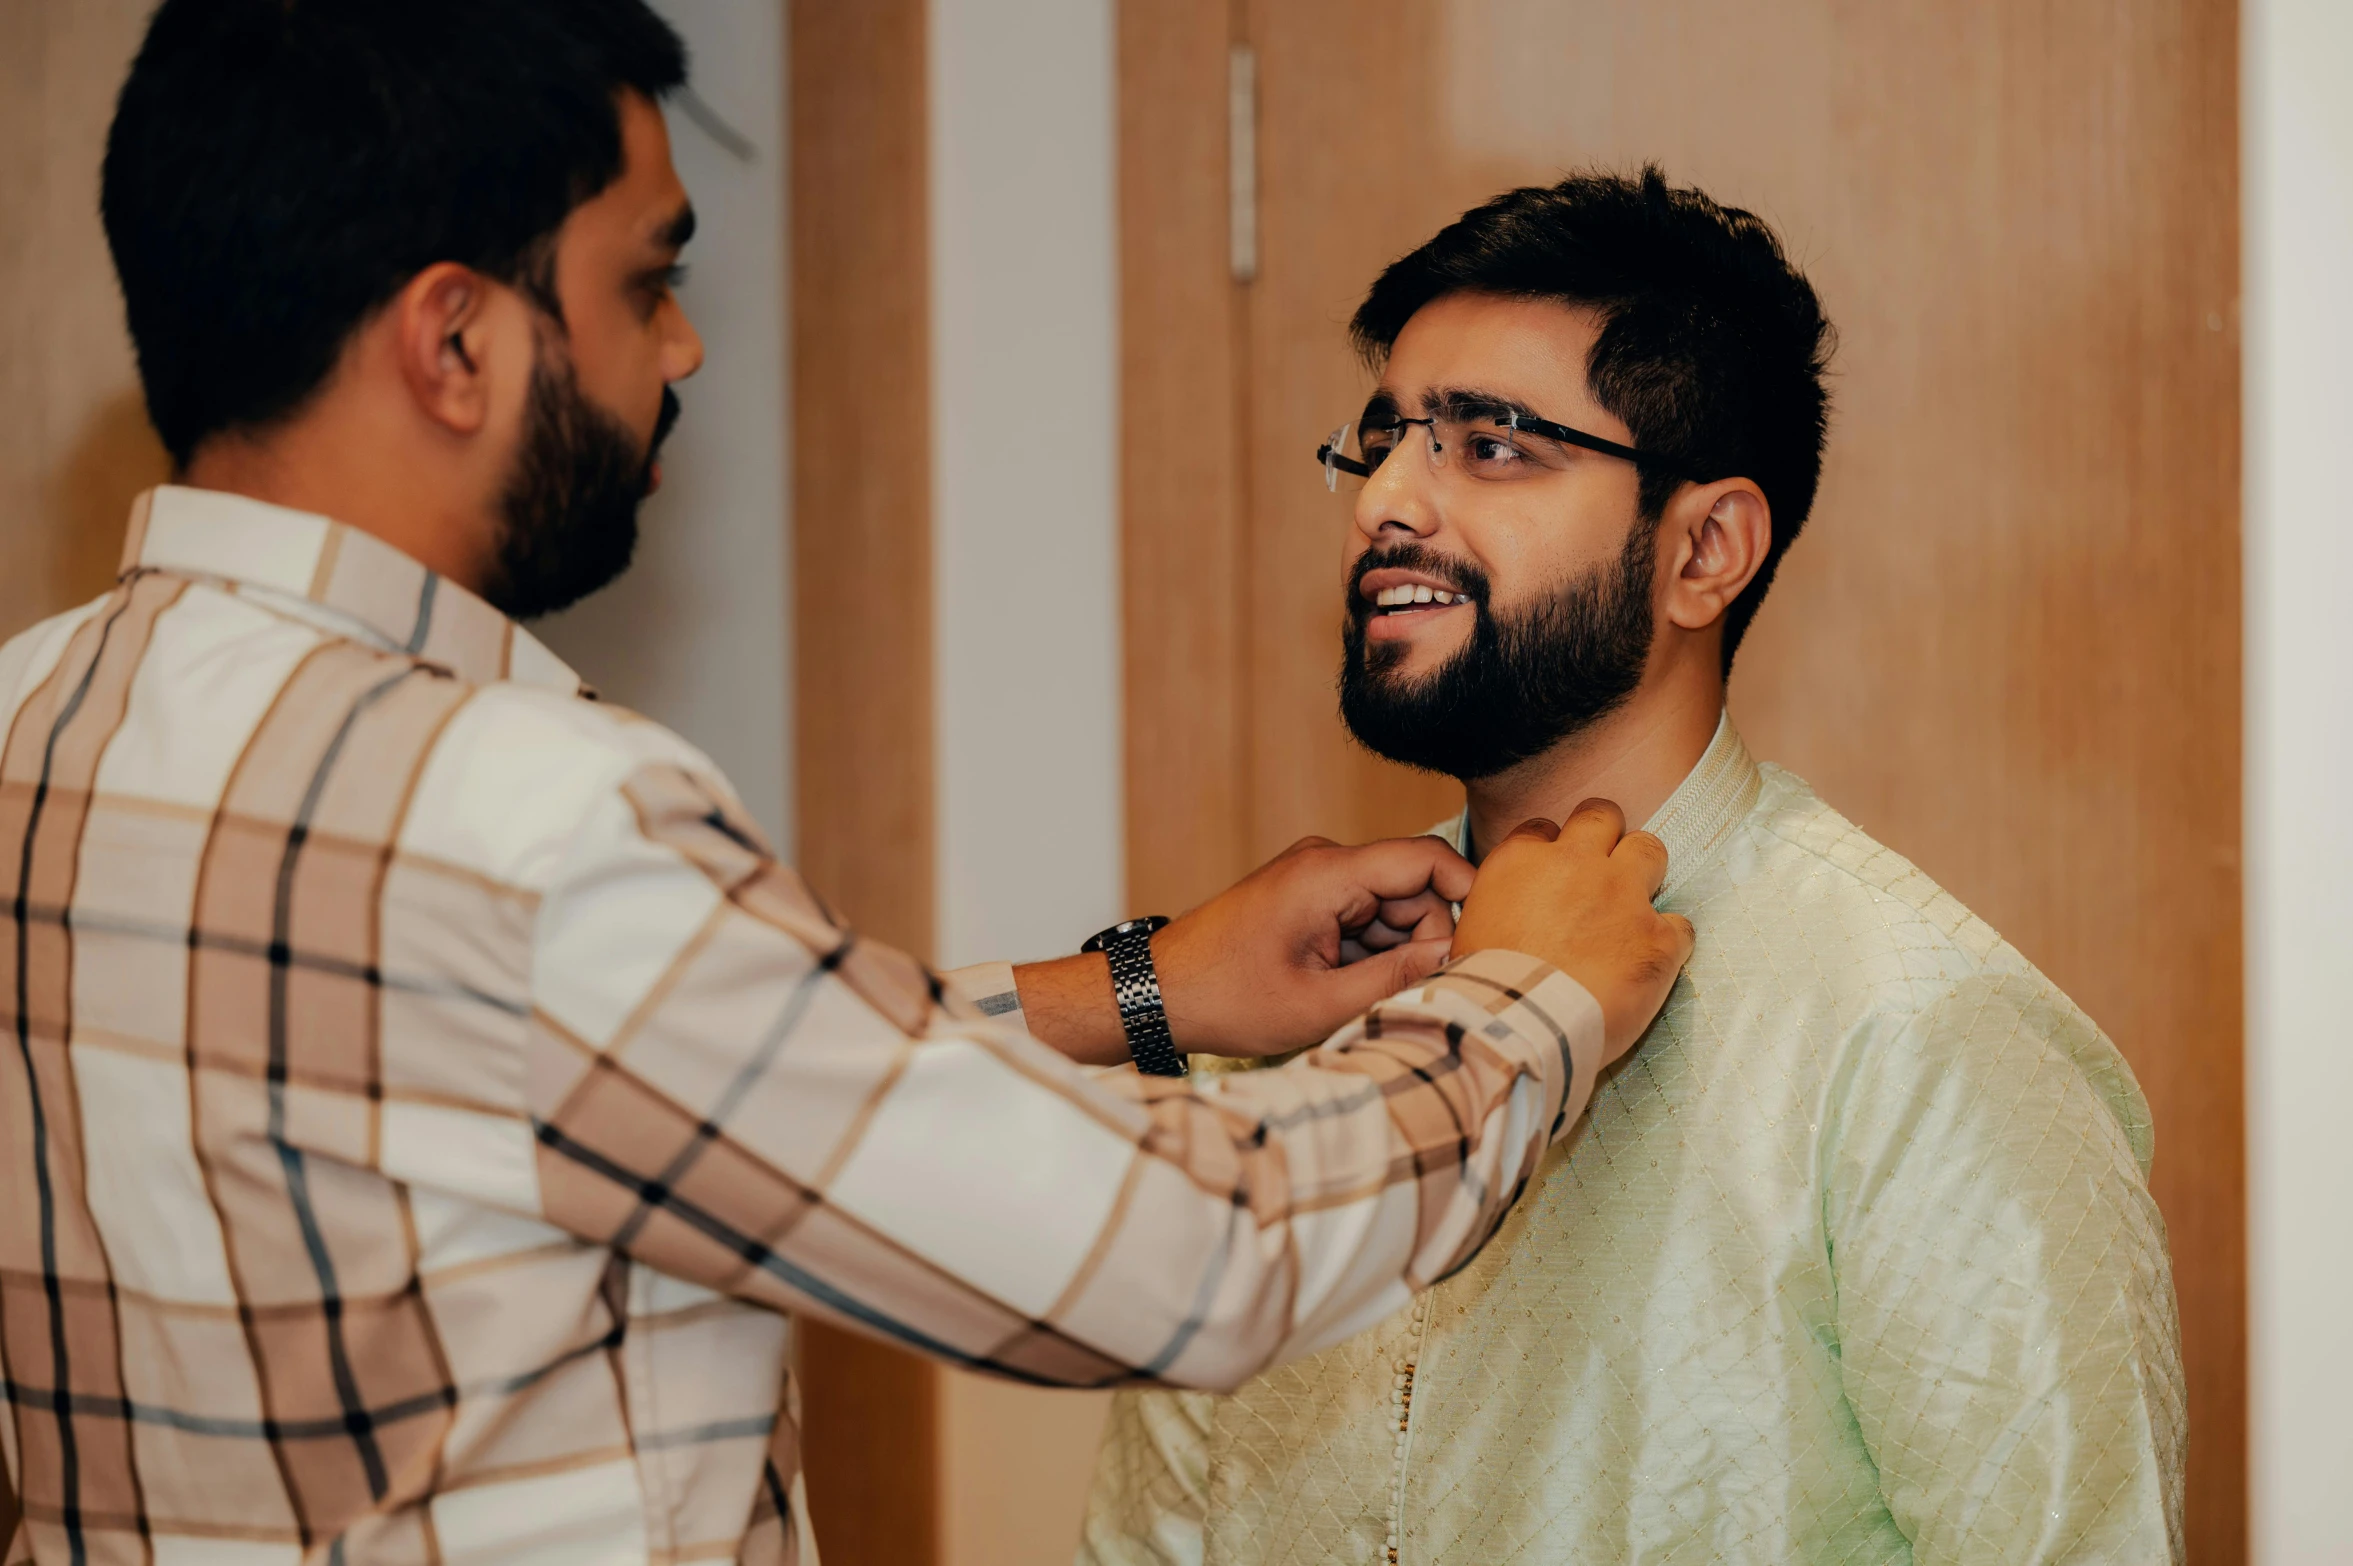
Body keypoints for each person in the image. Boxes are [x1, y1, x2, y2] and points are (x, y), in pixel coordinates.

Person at [0, 6, 1696, 1563]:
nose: (681, 355)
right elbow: (1195, 1255)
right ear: (455, 340)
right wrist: (1523, 996)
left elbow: (601, 1076)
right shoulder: (524, 820)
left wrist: (1144, 990)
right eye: (644, 284)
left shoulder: (32, 720)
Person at [1082, 170, 2186, 1564]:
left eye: (1490, 445)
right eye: (1383, 441)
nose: (1385, 504)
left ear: (1704, 548)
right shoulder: (1284, 1005)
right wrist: (1135, 997)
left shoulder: (1915, 1032)